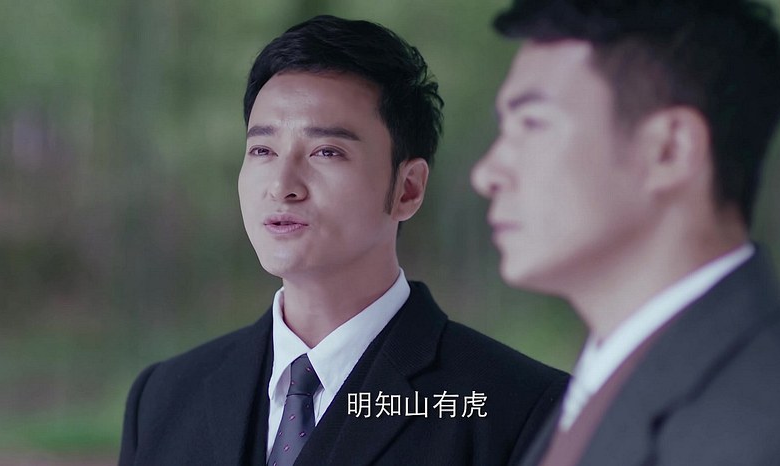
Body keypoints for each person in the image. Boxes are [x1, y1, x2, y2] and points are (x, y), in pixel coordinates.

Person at [118, 14, 569, 466]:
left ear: (407, 189)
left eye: (327, 152)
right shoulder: (163, 398)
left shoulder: (521, 410)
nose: (282, 186)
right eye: (262, 150)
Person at [471, 0, 780, 465]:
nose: (487, 174)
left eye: (532, 124)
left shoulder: (773, 431)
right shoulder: (609, 382)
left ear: (669, 150)